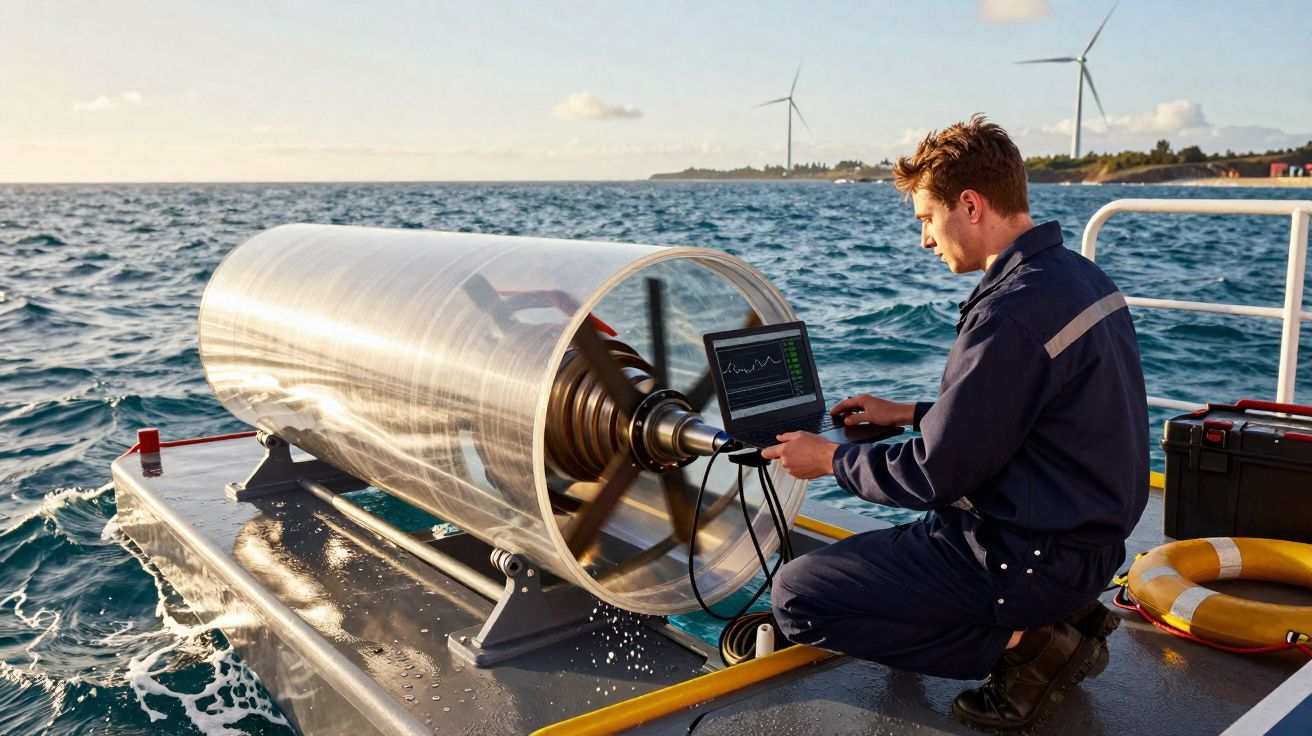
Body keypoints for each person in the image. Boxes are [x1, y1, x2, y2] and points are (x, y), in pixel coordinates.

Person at [760, 114, 1148, 733]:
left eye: (926, 219)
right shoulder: (1078, 277)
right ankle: (1058, 616)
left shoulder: (1010, 312)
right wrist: (909, 413)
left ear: (970, 205)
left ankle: (1031, 645)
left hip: (1028, 559)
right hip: (1090, 549)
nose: (924, 240)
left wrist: (829, 460)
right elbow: (1034, 415)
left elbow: (934, 474)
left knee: (797, 597)